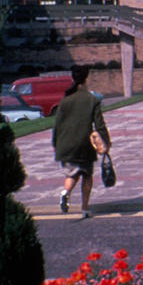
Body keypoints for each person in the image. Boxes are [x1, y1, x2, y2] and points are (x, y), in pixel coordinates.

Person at [52, 64, 109, 218]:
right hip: (85, 144)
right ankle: (84, 209)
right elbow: (100, 125)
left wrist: (55, 144)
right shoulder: (92, 100)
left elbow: (57, 126)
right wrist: (106, 143)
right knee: (86, 175)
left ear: (72, 78)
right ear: (86, 78)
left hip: (66, 144)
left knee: (71, 174)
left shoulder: (65, 100)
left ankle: (66, 192)